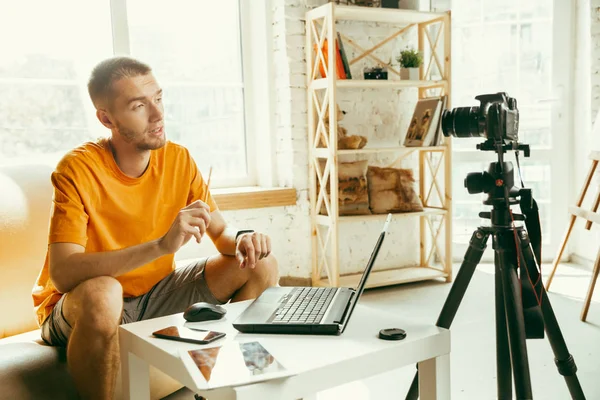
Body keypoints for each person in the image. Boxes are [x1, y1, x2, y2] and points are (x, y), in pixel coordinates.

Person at [32, 56, 279, 400]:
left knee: (261, 264)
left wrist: (244, 238)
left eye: (158, 99)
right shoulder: (77, 169)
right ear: (107, 118)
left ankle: (223, 386)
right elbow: (63, 273)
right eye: (138, 106)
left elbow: (223, 235)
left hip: (155, 293)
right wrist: (162, 247)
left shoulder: (179, 160)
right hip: (85, 305)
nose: (158, 114)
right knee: (105, 292)